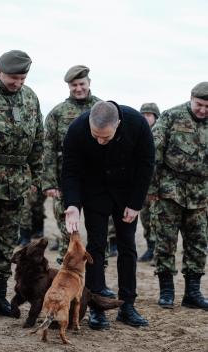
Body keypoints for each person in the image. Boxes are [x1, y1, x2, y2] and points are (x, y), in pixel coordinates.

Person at [62, 101, 155, 329]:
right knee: (95, 247)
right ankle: (97, 307)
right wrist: (73, 204)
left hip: (126, 192)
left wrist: (135, 203)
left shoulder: (137, 124)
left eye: (105, 137)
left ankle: (127, 306)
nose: (100, 141)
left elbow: (146, 164)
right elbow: (70, 170)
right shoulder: (76, 129)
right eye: (95, 136)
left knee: (127, 247)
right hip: (95, 191)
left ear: (118, 125)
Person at [0, 50, 44, 321]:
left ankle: (0, 296)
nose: (18, 83)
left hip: (17, 184)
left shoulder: (30, 97)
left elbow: (38, 141)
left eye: (23, 78)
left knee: (6, 244)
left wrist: (36, 177)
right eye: (14, 77)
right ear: (0, 71)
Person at [43, 65, 116, 297]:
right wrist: (50, 183)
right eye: (74, 85)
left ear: (89, 82)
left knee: (98, 236)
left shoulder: (104, 108)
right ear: (69, 86)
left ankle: (97, 285)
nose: (78, 88)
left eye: (81, 84)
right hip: (66, 182)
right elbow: (48, 150)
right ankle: (62, 284)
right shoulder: (57, 112)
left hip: (97, 183)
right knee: (68, 234)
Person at [148, 82, 208, 310]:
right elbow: (153, 154)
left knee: (198, 244)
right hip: (169, 190)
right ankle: (167, 292)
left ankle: (192, 293)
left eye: (207, 107)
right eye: (199, 104)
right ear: (191, 98)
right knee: (165, 242)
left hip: (200, 194)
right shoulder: (172, 116)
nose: (203, 110)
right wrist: (152, 189)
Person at [138, 103, 160, 262]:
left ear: (156, 117)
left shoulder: (161, 133)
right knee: (145, 218)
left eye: (149, 114)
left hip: (158, 186)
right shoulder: (137, 134)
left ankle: (158, 252)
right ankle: (150, 248)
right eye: (143, 114)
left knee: (158, 219)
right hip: (143, 186)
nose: (146, 117)